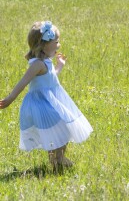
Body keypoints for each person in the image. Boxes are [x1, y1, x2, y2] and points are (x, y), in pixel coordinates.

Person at [0, 21, 93, 170]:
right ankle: (57, 159)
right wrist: (10, 98)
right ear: (43, 45)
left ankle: (57, 159)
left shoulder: (46, 62)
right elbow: (23, 82)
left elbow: (50, 78)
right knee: (60, 128)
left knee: (63, 127)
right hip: (42, 103)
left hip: (52, 100)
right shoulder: (37, 64)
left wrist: (59, 66)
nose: (58, 45)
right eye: (56, 42)